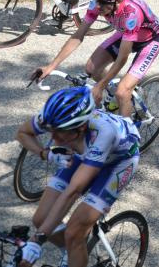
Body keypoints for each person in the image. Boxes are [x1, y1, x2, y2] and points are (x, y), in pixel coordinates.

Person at [15, 86, 140, 267]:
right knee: (41, 219)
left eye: (60, 132)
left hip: (118, 162)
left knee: (74, 233)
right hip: (84, 153)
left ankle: (75, 243)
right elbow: (22, 133)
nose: (54, 138)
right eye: (51, 130)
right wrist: (45, 154)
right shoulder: (55, 116)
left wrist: (36, 240)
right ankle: (73, 249)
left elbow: (73, 191)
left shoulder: (103, 133)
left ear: (80, 128)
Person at [32, 0, 159, 119]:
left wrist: (100, 86)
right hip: (126, 34)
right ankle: (117, 97)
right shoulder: (98, 4)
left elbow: (122, 58)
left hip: (149, 41)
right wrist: (51, 66)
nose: (97, 6)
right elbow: (78, 36)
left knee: (122, 91)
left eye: (103, 2)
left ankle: (128, 139)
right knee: (91, 68)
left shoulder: (132, 14)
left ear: (118, 1)